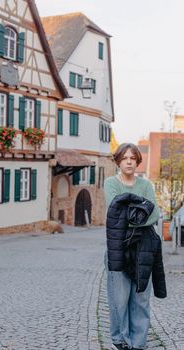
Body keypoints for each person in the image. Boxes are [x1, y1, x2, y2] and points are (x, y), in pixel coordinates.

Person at [104, 143, 166, 350]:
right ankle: (121, 341)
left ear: (138, 161)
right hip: (118, 248)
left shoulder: (146, 185)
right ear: (118, 161)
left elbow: (155, 214)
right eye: (124, 158)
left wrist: (128, 212)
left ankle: (138, 343)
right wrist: (142, 209)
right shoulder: (111, 184)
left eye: (132, 158)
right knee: (119, 299)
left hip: (143, 249)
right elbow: (115, 215)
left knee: (140, 299)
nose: (129, 161)